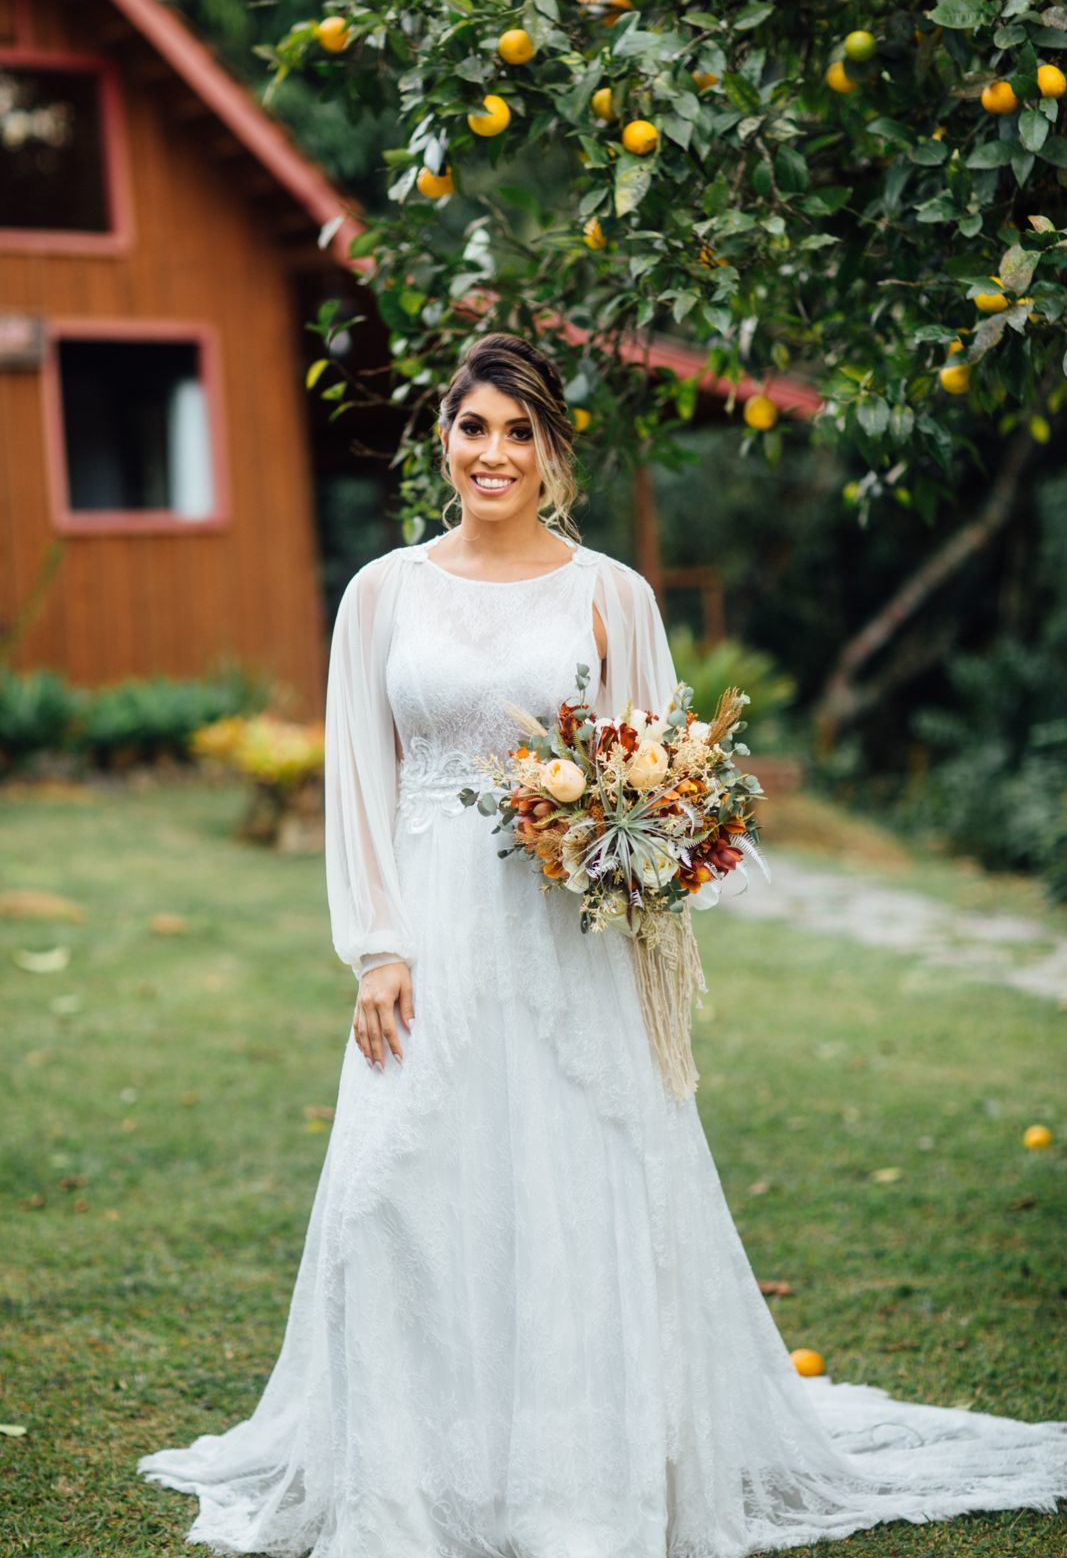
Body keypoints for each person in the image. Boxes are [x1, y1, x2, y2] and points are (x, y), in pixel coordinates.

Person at [138, 331, 1067, 1556]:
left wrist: (633, 845)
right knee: (395, 1191)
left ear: (552, 451)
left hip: (567, 935)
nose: (493, 453)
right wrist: (375, 946)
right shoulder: (383, 592)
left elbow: (661, 773)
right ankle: (413, 1477)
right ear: (443, 441)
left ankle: (580, 1482)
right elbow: (363, 778)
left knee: (578, 1197)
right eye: (474, 427)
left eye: (518, 432)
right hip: (429, 930)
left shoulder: (609, 595)